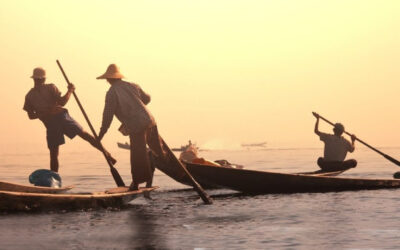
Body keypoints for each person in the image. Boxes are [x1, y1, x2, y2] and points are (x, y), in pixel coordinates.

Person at [23, 67, 116, 173]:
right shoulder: (43, 90)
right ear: (43, 79)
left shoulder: (31, 95)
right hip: (57, 120)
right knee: (83, 137)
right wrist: (70, 91)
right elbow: (62, 102)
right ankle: (108, 155)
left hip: (56, 120)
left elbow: (31, 116)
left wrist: (43, 113)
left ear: (34, 79)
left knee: (57, 153)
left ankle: (107, 155)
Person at [97, 64, 165, 191]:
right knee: (157, 152)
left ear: (109, 79)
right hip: (150, 121)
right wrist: (136, 104)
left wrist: (101, 134)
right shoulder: (133, 85)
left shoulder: (112, 93)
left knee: (137, 155)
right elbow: (147, 98)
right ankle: (151, 169)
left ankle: (136, 183)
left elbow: (107, 116)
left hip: (137, 125)